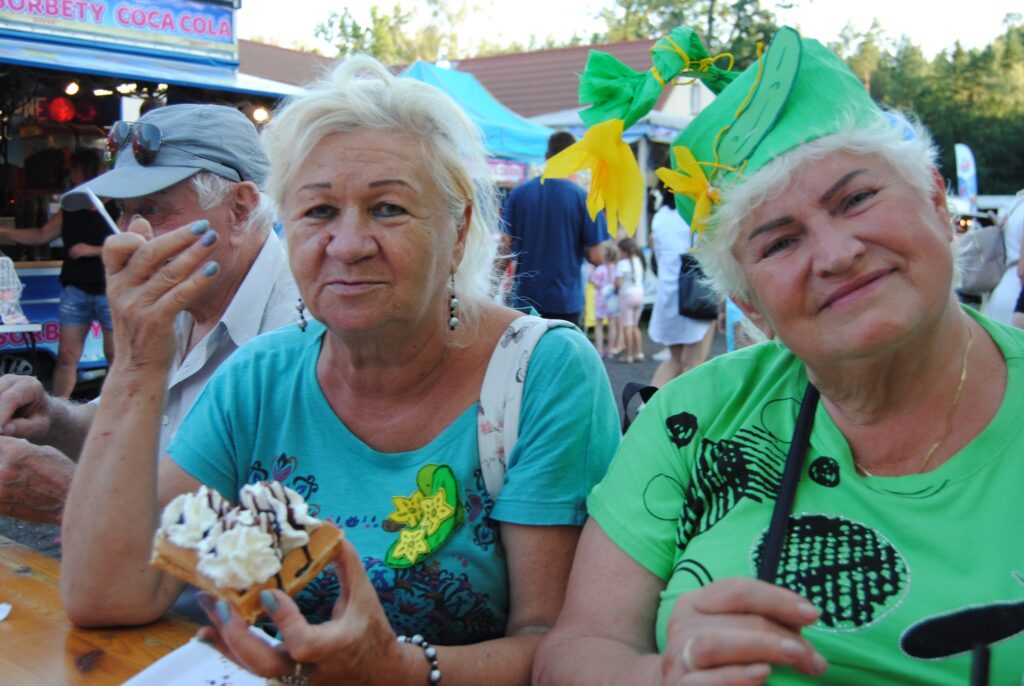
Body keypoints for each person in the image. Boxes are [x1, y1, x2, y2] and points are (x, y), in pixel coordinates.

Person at [59, 55, 620, 686]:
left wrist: (401, 669)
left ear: (458, 228)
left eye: (387, 210)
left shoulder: (541, 375)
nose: (348, 245)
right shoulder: (260, 377)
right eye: (319, 212)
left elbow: (557, 649)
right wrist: (136, 365)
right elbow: (106, 594)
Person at [533, 25, 1024, 684]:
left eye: (856, 199)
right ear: (751, 308)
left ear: (937, 204)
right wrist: (659, 679)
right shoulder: (693, 422)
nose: (836, 254)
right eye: (779, 242)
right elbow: (577, 648)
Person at [0, 103, 299, 524]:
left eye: (152, 210)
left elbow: (277, 535)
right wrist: (52, 419)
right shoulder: (177, 299)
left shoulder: (303, 332)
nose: (127, 235)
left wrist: (76, 498)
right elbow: (125, 429)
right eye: (120, 211)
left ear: (241, 208)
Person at [0, 148, 117, 397]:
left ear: (88, 172)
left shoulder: (117, 205)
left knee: (115, 355)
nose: (71, 175)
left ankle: (113, 413)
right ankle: (59, 411)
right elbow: (42, 235)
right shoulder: (71, 207)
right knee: (66, 355)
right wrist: (4, 232)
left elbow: (135, 242)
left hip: (111, 288)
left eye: (75, 170)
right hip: (75, 288)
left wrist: (94, 250)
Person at [501, 131, 609, 328]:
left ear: (547, 157)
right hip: (565, 300)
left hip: (526, 300)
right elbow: (597, 256)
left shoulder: (519, 194)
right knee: (563, 356)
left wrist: (491, 290)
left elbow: (505, 247)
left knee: (527, 357)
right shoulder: (584, 199)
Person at [648, 185, 716, 386]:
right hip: (696, 293)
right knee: (693, 363)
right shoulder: (696, 213)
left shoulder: (660, 216)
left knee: (675, 361)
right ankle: (677, 414)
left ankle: (645, 409)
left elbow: (659, 256)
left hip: (668, 297)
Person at [614, 237, 645, 363]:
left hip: (627, 295)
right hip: (640, 293)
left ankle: (628, 355)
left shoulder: (622, 264)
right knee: (635, 326)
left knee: (627, 326)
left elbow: (618, 283)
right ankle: (638, 353)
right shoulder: (638, 260)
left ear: (624, 251)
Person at [589, 244, 617, 357]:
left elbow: (595, 283)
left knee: (599, 324)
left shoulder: (600, 269)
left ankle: (599, 349)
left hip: (601, 299)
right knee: (612, 324)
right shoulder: (616, 268)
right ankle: (610, 350)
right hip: (613, 299)